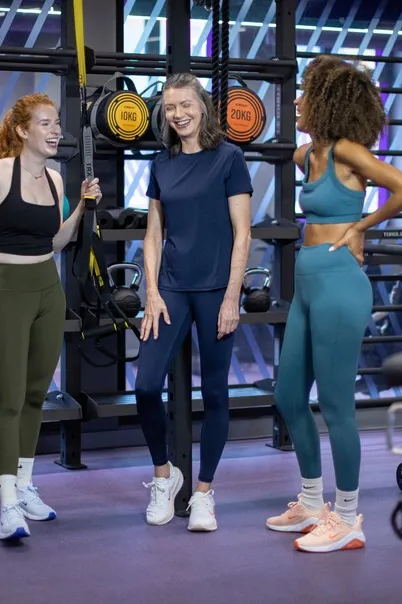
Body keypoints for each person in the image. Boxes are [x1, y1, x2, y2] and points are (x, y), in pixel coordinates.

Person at [265, 55, 402, 553]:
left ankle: (348, 518)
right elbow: (262, 145)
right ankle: (310, 502)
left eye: (306, 93)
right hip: (308, 284)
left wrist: (359, 228)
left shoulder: (349, 151)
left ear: (327, 102)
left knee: (334, 405)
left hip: (339, 285)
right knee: (288, 396)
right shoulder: (311, 154)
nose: (298, 101)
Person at [0, 93, 100, 542]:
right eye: (46, 124)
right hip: (7, 289)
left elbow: (56, 242)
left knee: (35, 395)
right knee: (9, 400)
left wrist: (82, 207)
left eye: (57, 124)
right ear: (22, 130)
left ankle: (26, 484)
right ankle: (7, 503)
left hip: (48, 290)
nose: (56, 131)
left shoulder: (53, 177)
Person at [135, 72, 253, 532]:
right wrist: (151, 292)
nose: (178, 114)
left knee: (216, 392)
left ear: (202, 106)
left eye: (186, 105)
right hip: (171, 289)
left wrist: (231, 297)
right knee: (146, 386)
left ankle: (203, 494)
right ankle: (165, 476)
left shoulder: (229, 158)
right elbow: (153, 233)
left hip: (215, 290)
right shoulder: (161, 163)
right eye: (169, 108)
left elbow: (243, 232)